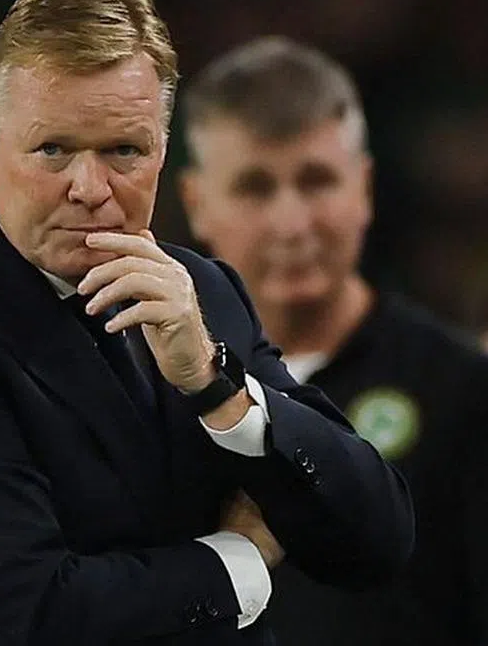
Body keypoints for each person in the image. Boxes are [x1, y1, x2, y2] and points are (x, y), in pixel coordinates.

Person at [0, 0, 414, 646]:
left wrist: (219, 386)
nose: (89, 187)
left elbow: (378, 539)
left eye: (123, 151)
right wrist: (243, 561)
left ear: (164, 150)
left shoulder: (202, 294)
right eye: (53, 149)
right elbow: (32, 617)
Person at [178, 35, 488, 645]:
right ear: (196, 203)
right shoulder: (154, 393)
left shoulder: (463, 392)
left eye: (316, 181)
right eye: (255, 187)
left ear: (364, 188)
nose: (292, 223)